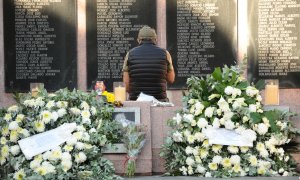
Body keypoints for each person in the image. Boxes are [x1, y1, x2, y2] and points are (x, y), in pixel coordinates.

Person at [122, 26, 175, 102]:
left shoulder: (130, 54)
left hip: (136, 100)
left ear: (138, 40)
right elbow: (171, 79)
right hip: (159, 100)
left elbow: (126, 84)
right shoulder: (165, 53)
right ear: (155, 40)